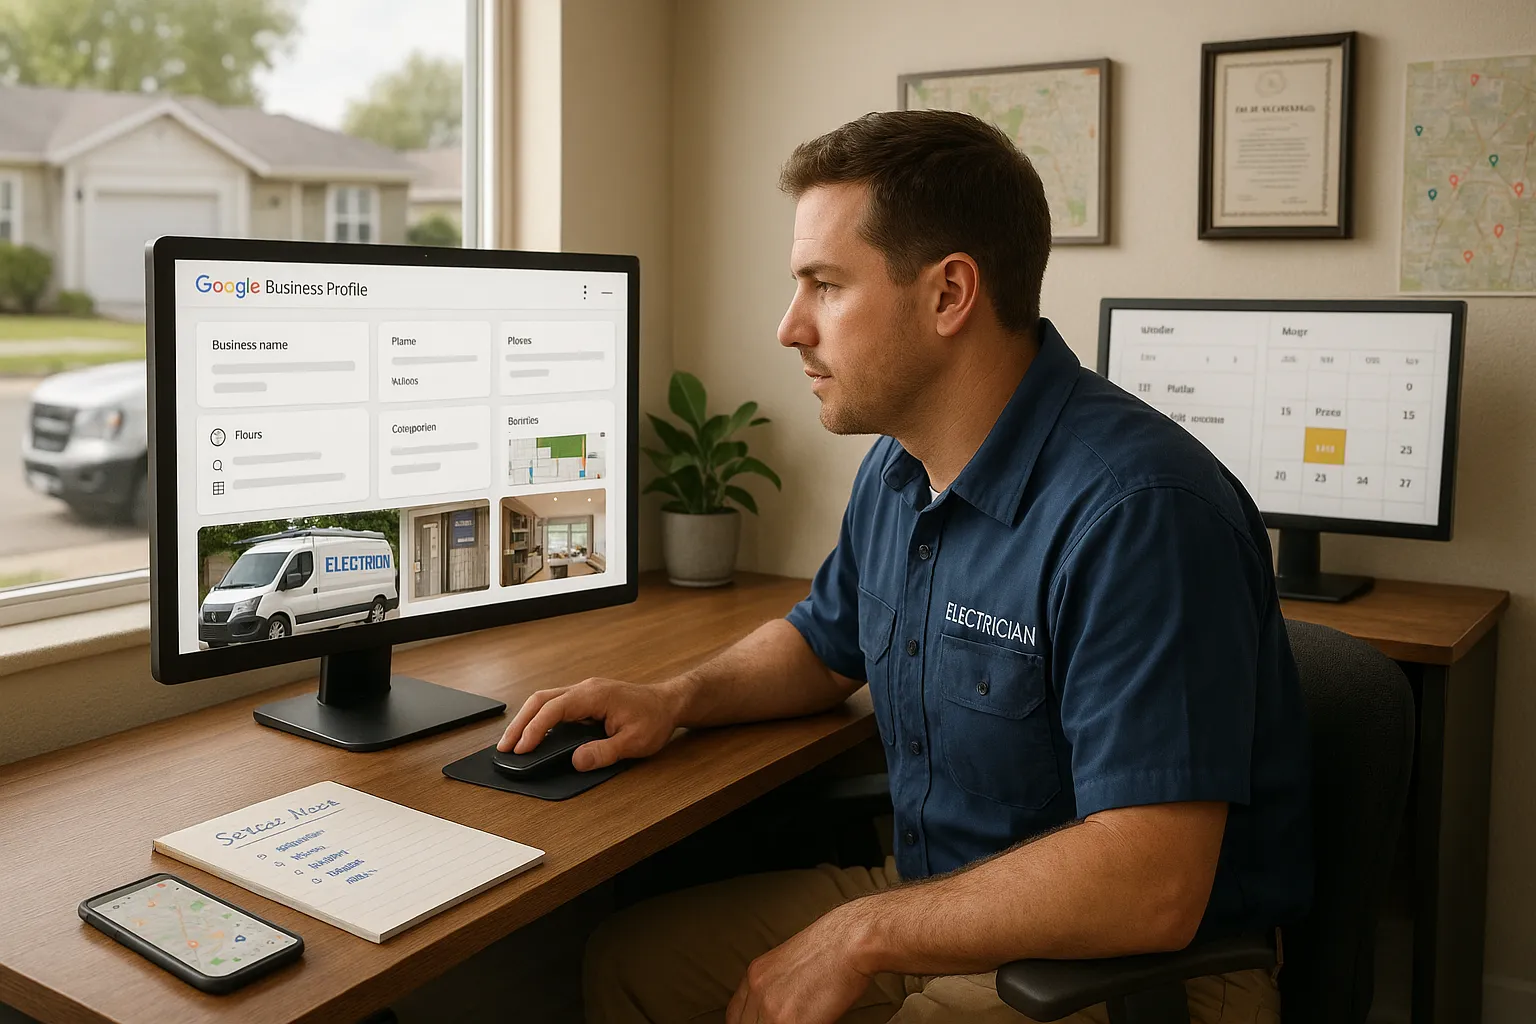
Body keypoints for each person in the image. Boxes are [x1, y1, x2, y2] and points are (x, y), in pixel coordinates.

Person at [498, 109, 1311, 1024]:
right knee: (630, 965)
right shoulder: (901, 465)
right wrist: (675, 699)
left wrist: (859, 934)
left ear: (949, 295)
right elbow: (824, 643)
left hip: (1143, 970)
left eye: (825, 286)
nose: (788, 327)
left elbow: (1151, 885)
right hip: (940, 898)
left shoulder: (1140, 514)